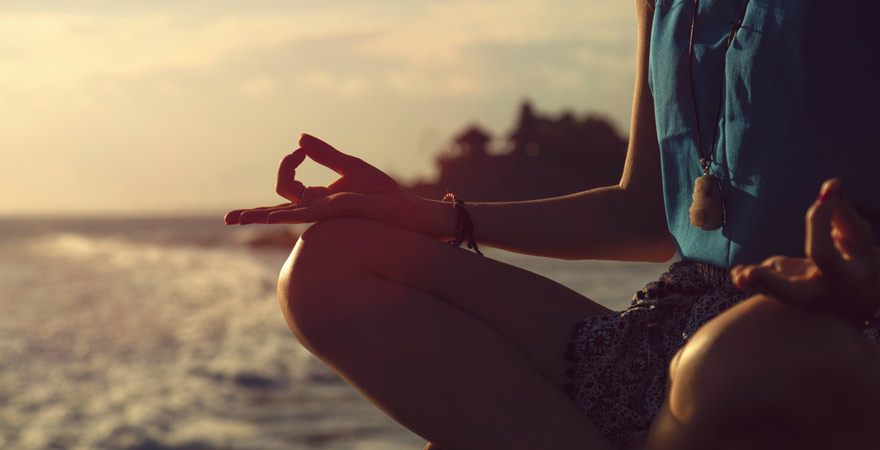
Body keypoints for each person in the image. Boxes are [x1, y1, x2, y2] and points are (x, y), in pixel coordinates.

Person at [225, 1, 880, 448]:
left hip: (832, 326)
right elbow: (648, 211)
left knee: (760, 349)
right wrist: (438, 217)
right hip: (673, 325)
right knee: (332, 265)